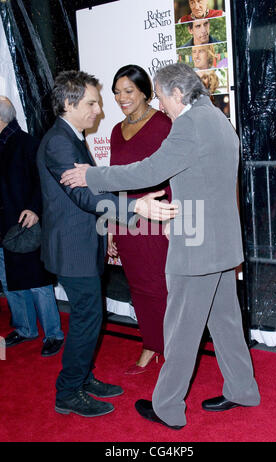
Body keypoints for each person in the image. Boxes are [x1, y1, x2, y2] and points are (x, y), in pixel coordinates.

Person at [61, 63, 260, 430]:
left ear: (178, 93)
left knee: (181, 328)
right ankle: (243, 389)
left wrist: (92, 175)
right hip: (221, 241)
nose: (161, 104)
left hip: (197, 244)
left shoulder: (189, 124)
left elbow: (147, 171)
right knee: (226, 322)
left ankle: (167, 406)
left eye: (162, 95)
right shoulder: (217, 119)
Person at [36, 70, 176, 418]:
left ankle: (82, 378)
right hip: (73, 250)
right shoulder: (59, 142)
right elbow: (85, 197)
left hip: (84, 245)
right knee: (87, 319)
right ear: (70, 104)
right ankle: (68, 391)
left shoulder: (71, 137)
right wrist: (136, 207)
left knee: (90, 317)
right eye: (92, 102)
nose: (100, 110)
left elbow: (94, 188)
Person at [108, 65, 172, 374]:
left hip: (157, 216)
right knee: (137, 286)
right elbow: (113, 181)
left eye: (128, 91)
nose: (122, 97)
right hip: (126, 218)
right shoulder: (115, 130)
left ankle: (171, 347)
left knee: (160, 285)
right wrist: (110, 225)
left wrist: (174, 220)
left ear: (145, 91)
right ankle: (150, 343)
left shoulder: (162, 125)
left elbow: (175, 175)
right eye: (117, 92)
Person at [0, 96, 64, 357]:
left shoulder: (28, 143)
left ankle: (53, 334)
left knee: (37, 281)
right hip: (2, 224)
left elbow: (45, 181)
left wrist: (35, 209)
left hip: (24, 223)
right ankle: (25, 328)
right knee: (7, 280)